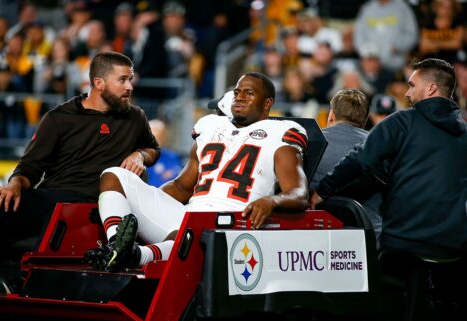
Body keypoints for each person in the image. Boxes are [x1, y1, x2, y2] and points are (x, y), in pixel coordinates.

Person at [0, 51, 160, 290]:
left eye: (130, 79)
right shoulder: (59, 118)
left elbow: (153, 149)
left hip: (94, 203)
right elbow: (30, 166)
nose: (129, 86)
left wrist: (140, 155)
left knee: (57, 214)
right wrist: (14, 185)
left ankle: (15, 281)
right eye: (122, 80)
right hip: (56, 196)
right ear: (98, 83)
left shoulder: (135, 117)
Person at [85, 72, 310, 272]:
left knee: (187, 232)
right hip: (190, 213)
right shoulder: (211, 128)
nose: (239, 97)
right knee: (114, 175)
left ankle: (136, 255)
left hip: (230, 222)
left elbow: (299, 193)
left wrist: (272, 201)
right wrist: (147, 201)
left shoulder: (280, 134)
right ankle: (116, 246)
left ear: (267, 103)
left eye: (248, 93)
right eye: (237, 91)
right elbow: (182, 187)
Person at [310, 58, 466, 318]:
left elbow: (360, 159)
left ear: (430, 89)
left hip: (404, 242)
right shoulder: (463, 133)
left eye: (412, 85)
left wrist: (322, 190)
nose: (406, 92)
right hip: (452, 248)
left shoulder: (403, 122)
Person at [310, 89, 382, 245]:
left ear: (332, 115)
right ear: (364, 121)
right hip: (368, 243)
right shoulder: (379, 145)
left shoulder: (310, 142)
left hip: (317, 245)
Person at [146, 119, 183, 187]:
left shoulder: (172, 157)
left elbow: (176, 177)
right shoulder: (137, 158)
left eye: (159, 137)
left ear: (164, 137)